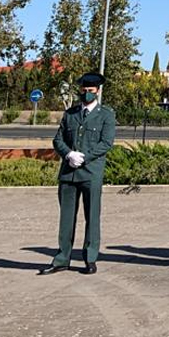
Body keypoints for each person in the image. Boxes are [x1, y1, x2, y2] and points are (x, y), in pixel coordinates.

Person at [39, 72, 116, 276]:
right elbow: (58, 139)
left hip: (91, 173)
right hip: (68, 174)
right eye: (83, 91)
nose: (86, 94)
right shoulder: (71, 114)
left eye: (90, 91)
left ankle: (90, 258)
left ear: (97, 91)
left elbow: (106, 143)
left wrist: (85, 157)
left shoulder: (106, 115)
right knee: (66, 219)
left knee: (92, 217)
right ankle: (62, 258)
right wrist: (68, 154)